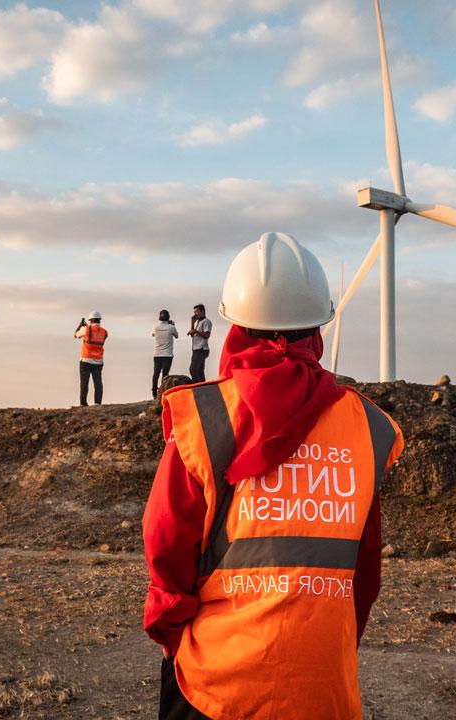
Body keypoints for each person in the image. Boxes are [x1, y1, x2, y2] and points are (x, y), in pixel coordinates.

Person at [142, 232, 404, 720]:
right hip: (322, 688)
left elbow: (166, 542)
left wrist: (171, 632)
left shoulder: (204, 417)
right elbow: (365, 573)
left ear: (234, 323)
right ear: (319, 327)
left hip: (215, 684)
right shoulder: (365, 427)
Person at [75, 311, 107, 406]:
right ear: (99, 320)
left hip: (86, 360)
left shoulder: (86, 329)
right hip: (98, 361)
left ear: (90, 320)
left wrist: (81, 326)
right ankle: (97, 403)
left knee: (84, 383)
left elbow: (76, 335)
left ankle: (83, 403)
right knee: (98, 383)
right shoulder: (104, 332)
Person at [152, 309, 179, 398]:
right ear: (168, 317)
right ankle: (163, 392)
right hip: (167, 354)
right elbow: (176, 336)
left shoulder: (156, 328)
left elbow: (153, 334)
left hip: (157, 354)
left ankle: (154, 392)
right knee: (165, 374)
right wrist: (171, 325)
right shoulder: (171, 327)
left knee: (156, 373)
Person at [187, 303, 212, 383]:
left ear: (202, 312)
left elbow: (207, 335)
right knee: (200, 371)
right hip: (196, 348)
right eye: (194, 312)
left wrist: (195, 331)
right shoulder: (197, 322)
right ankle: (203, 388)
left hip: (202, 349)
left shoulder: (206, 321)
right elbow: (192, 335)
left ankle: (197, 388)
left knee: (193, 370)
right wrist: (192, 323)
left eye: (197, 312)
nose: (195, 314)